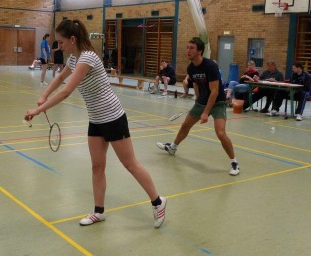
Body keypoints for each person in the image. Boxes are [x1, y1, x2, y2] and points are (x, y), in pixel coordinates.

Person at [24, 19, 167, 228]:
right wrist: (44, 94)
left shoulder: (88, 58)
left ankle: (158, 201)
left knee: (130, 164)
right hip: (96, 119)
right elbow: (59, 79)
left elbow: (66, 91)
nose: (59, 47)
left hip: (114, 117)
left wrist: (38, 110)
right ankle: (98, 211)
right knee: (97, 166)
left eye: (62, 42)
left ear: (72, 40)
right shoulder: (73, 59)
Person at [156, 38, 240, 176]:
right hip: (201, 102)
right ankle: (173, 147)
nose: (188, 50)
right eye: (187, 47)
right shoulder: (191, 67)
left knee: (220, 133)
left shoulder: (210, 66)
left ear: (199, 51)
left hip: (217, 103)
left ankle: (234, 163)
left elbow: (215, 91)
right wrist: (197, 99)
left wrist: (206, 112)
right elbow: (196, 83)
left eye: (192, 48)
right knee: (185, 126)